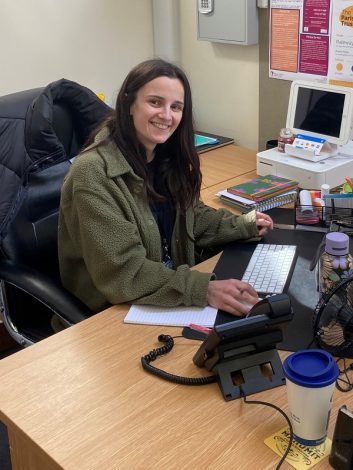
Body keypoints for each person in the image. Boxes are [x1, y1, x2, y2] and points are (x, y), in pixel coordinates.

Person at [58, 59, 273, 317]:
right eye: (155, 102)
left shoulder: (162, 156)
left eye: (176, 107)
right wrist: (204, 289)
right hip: (114, 312)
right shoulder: (92, 173)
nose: (167, 116)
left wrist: (243, 225)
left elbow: (192, 217)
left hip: (165, 294)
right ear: (128, 103)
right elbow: (125, 273)